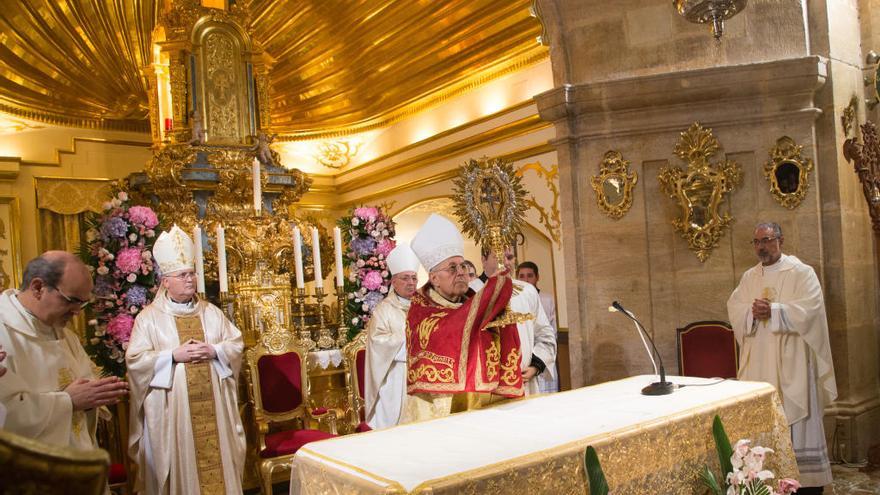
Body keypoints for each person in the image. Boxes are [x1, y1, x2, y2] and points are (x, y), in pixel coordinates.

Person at [126, 226, 246, 495]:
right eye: (182, 275)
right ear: (166, 281)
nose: (190, 279)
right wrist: (171, 356)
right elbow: (135, 361)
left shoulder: (211, 312)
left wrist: (215, 351)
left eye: (192, 273)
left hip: (215, 409)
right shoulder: (149, 318)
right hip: (174, 417)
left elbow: (236, 344)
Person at [727, 222, 837, 494]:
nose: (761, 246)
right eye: (756, 242)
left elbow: (811, 310)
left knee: (796, 413)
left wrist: (774, 310)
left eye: (766, 240)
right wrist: (752, 313)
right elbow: (735, 307)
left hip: (794, 363)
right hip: (760, 363)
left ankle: (805, 481)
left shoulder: (802, 272)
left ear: (781, 240)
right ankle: (763, 477)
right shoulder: (749, 277)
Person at [401, 214, 523, 422]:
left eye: (463, 266)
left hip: (480, 401)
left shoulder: (472, 301)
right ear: (434, 279)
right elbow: (451, 329)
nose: (461, 273)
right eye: (452, 268)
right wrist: (495, 288)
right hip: (438, 407)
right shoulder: (421, 310)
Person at [0, 251, 128, 449]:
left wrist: (95, 395)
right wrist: (68, 401)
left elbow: (87, 385)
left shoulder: (64, 334)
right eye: (72, 300)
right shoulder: (4, 332)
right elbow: (6, 415)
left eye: (82, 303)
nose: (77, 312)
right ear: (38, 287)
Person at [364, 243, 419, 430]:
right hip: (395, 377)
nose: (411, 283)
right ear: (394, 281)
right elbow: (377, 342)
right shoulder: (383, 310)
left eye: (414, 278)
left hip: (422, 375)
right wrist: (412, 340)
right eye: (405, 278)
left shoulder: (424, 307)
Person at [517, 261, 559, 393]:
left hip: (542, 353)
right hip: (524, 358)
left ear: (537, 277)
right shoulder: (515, 299)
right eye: (522, 276)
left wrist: (540, 358)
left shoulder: (546, 299)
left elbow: (551, 330)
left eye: (530, 275)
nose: (526, 280)